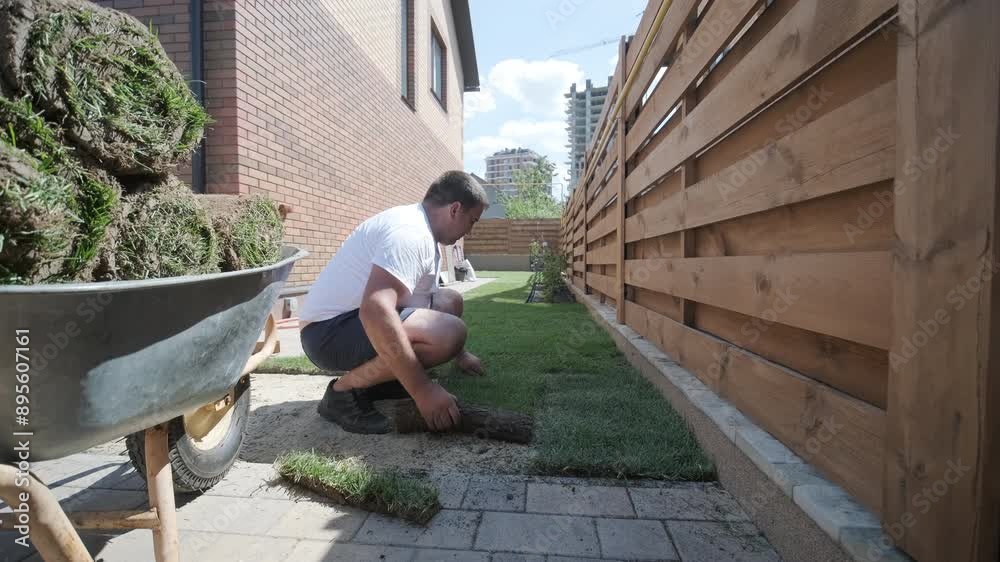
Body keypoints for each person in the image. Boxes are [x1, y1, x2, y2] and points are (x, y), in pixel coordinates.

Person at [298, 171, 488, 434]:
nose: (471, 230)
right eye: (472, 220)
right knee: (449, 333)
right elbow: (375, 310)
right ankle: (342, 392)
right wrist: (423, 390)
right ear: (455, 209)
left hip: (346, 324)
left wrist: (461, 355)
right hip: (327, 334)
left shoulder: (422, 228)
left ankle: (383, 380)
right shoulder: (411, 233)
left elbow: (423, 298)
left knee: (450, 301)